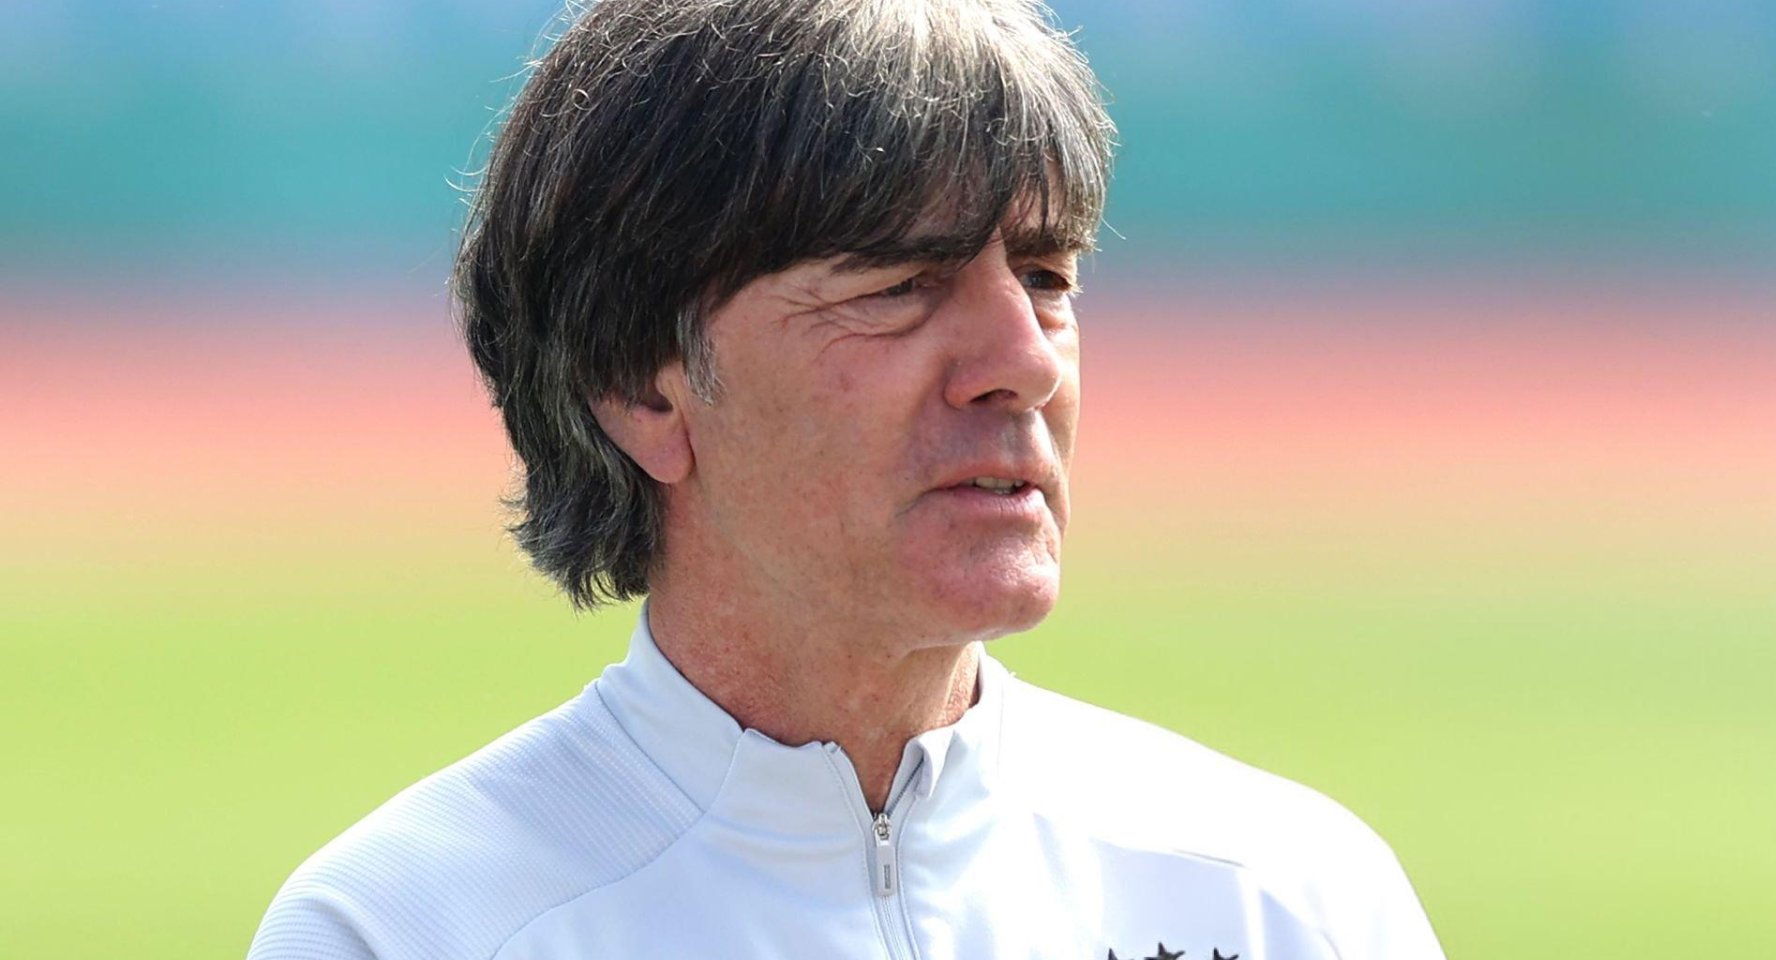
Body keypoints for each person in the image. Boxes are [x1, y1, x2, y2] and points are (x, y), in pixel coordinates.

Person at [248, 1, 1446, 957]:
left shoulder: (1287, 899)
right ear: (640, 388)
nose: (1024, 362)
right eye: (899, 287)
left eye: (1046, 276)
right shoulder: (403, 930)